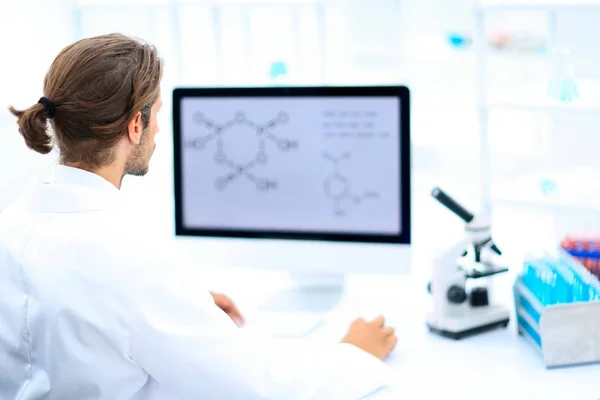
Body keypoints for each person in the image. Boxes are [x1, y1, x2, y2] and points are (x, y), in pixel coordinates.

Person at [0, 33, 398, 400]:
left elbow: (57, 322)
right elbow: (257, 389)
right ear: (136, 125)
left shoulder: (13, 224)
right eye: (156, 113)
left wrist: (180, 306)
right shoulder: (131, 260)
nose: (159, 128)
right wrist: (355, 355)